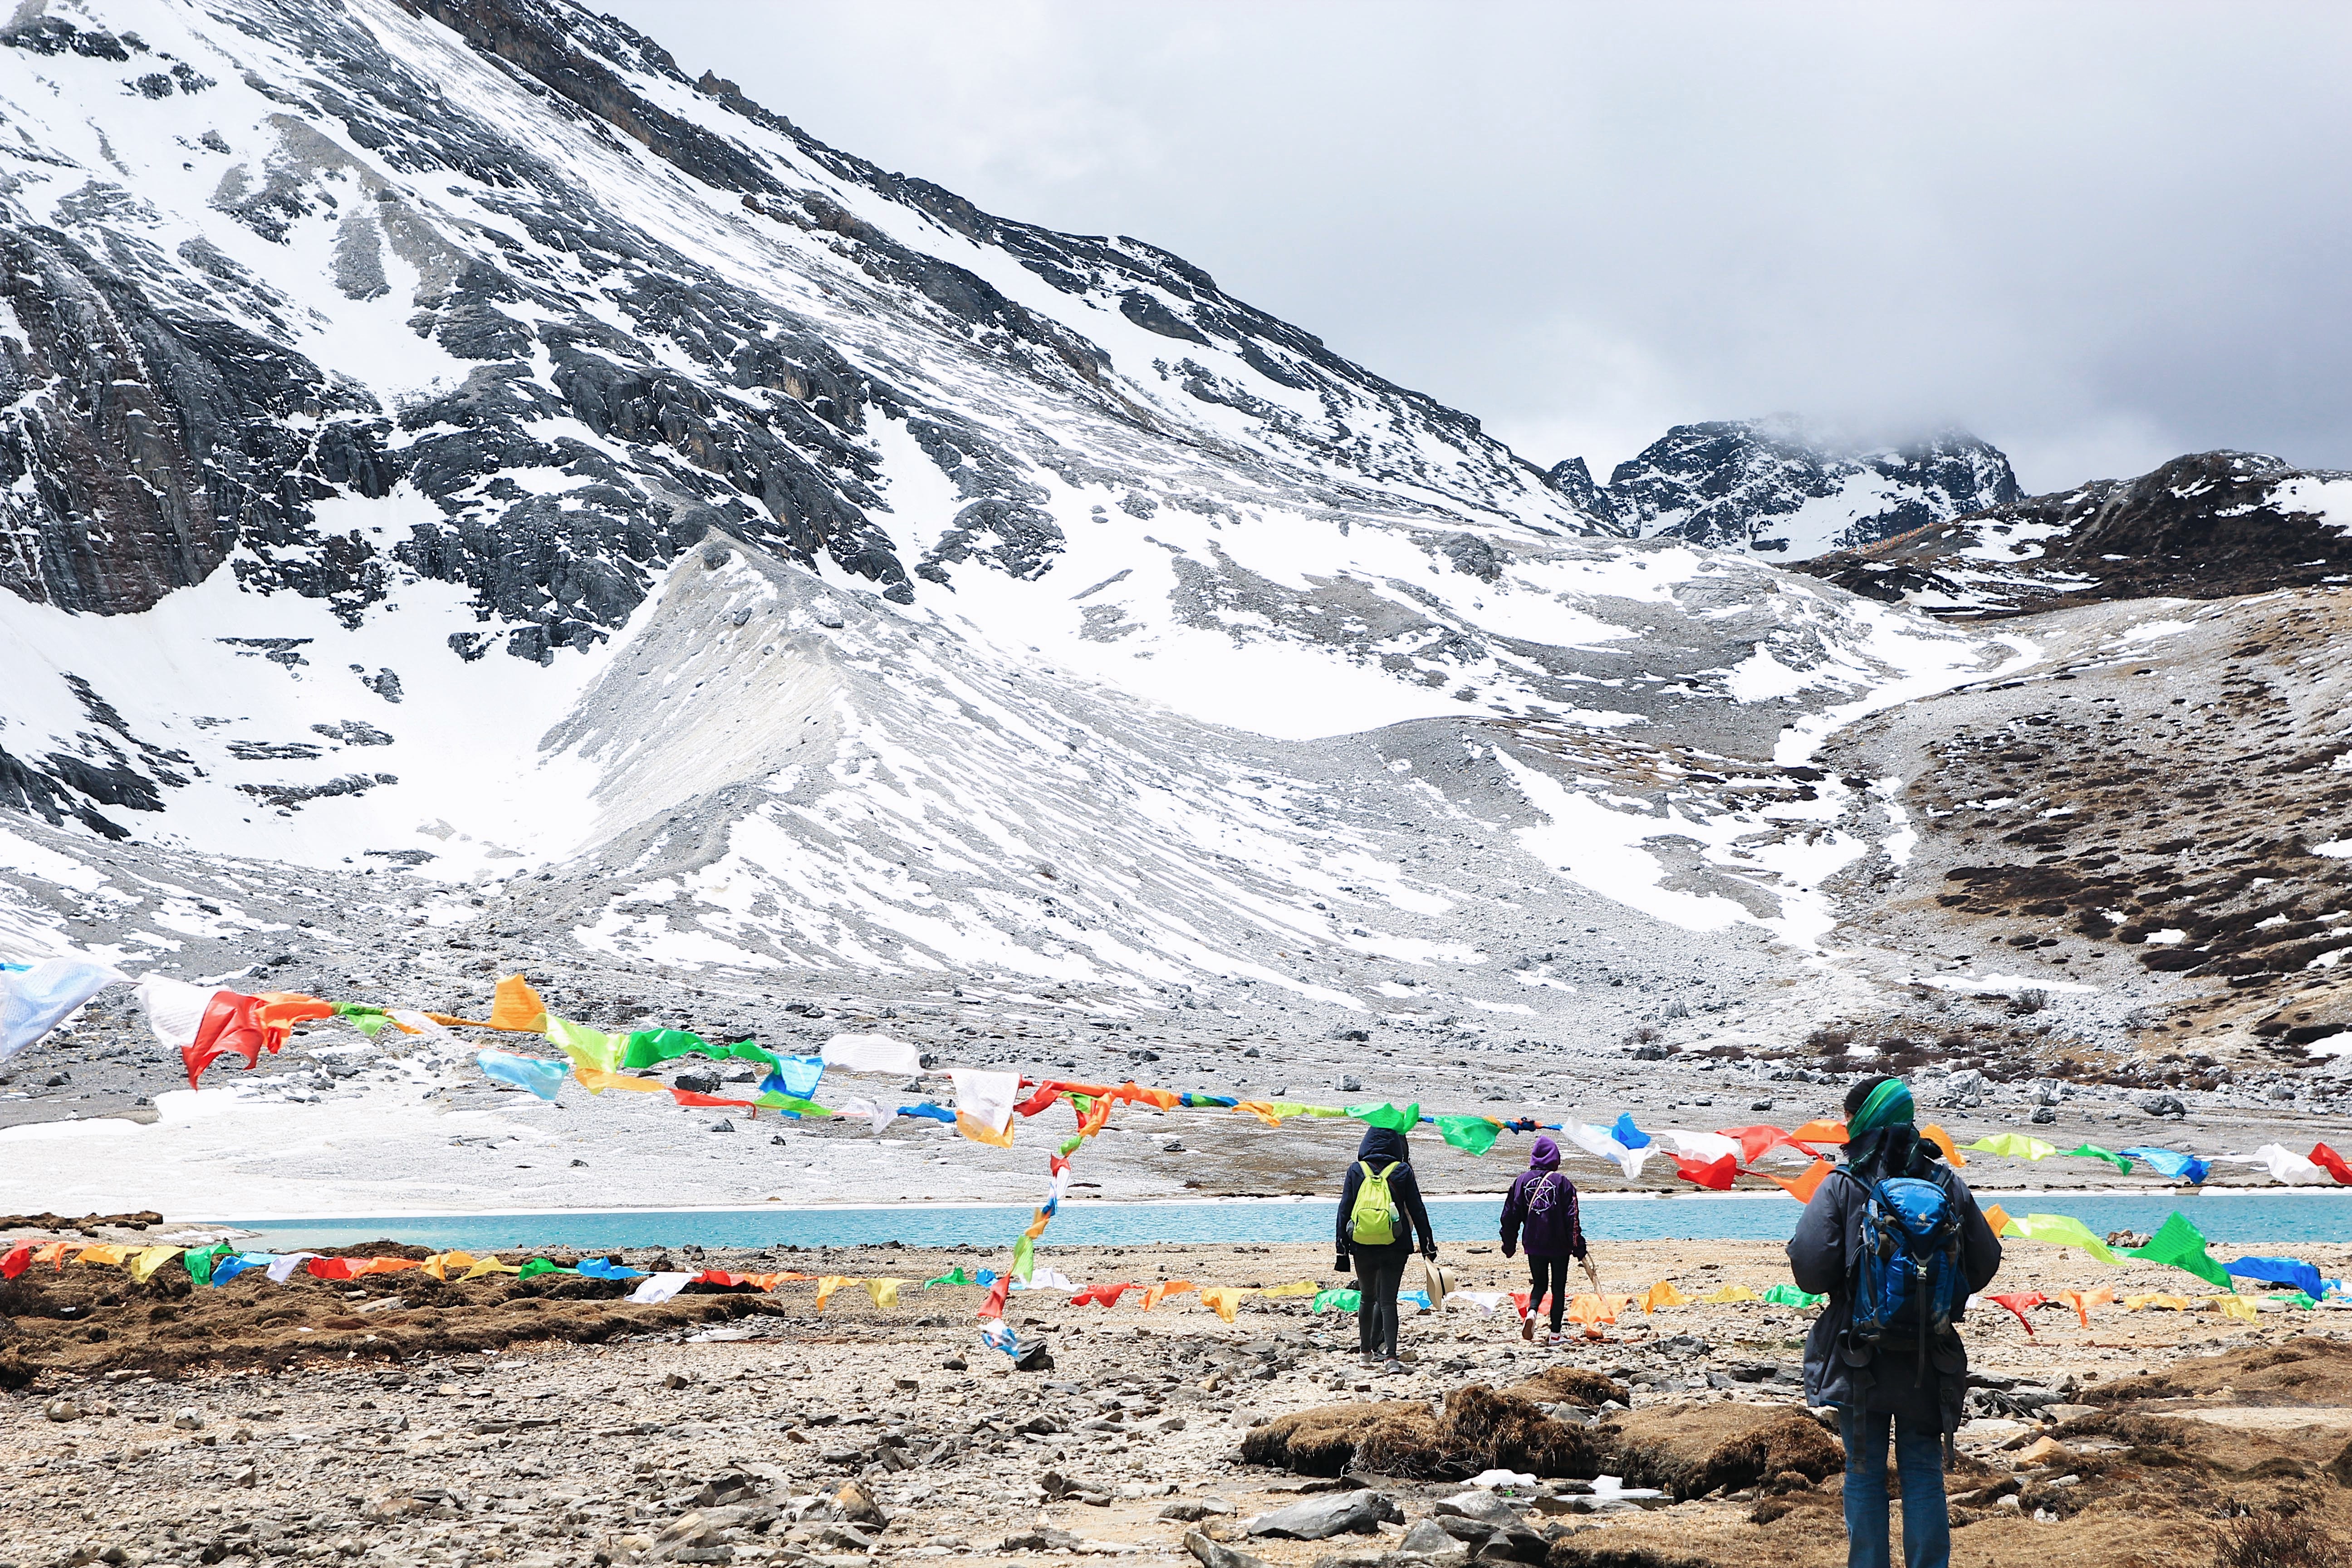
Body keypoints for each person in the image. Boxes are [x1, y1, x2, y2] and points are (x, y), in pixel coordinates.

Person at [1789, 1075, 2002, 1568]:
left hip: (1858, 1356)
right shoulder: (1946, 1181)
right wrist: (1939, 1297)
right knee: (1923, 1473)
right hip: (1931, 1358)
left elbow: (1809, 1270)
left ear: (1862, 1123)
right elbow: (1985, 1262)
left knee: (1864, 1472)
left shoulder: (1843, 1185)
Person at [1333, 1124, 1436, 1372]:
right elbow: (1418, 1209)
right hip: (1396, 1245)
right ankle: (1391, 1357)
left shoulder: (1356, 1170)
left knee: (1367, 1299)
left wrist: (1341, 1249)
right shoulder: (1402, 1171)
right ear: (1395, 1145)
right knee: (1388, 1301)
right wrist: (1427, 1244)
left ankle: (1365, 1354)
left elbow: (1344, 1210)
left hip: (1362, 1245)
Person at [1499, 1134, 1600, 1343]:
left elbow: (1509, 1215)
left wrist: (1509, 1245)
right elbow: (1572, 1218)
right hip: (1559, 1245)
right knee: (1558, 1288)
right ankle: (1555, 1334)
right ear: (1555, 1158)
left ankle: (1532, 1313)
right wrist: (1578, 1247)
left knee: (1540, 1284)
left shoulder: (1521, 1182)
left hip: (1533, 1243)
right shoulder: (1562, 1183)